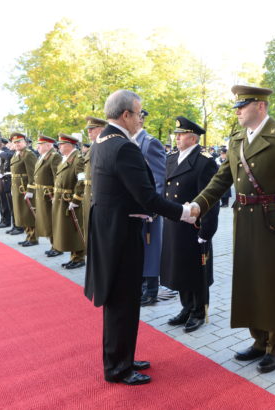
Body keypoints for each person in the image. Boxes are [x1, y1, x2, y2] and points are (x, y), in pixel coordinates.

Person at [189, 85, 275, 373]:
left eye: (243, 105)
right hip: (244, 219)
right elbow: (221, 180)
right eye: (237, 106)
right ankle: (258, 341)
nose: (238, 110)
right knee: (250, 279)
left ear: (261, 106)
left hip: (274, 221)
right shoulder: (236, 140)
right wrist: (197, 205)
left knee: (273, 282)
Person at [84, 90, 197, 385]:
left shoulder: (102, 141)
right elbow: (146, 196)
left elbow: (117, 190)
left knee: (122, 299)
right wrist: (183, 212)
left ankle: (122, 356)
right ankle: (117, 368)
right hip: (121, 233)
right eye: (139, 113)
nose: (140, 118)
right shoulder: (123, 146)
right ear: (126, 115)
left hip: (111, 229)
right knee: (123, 300)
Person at [160, 116, 219, 333]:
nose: (177, 138)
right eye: (176, 134)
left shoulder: (204, 162)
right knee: (180, 267)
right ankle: (186, 307)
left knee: (196, 270)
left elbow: (211, 201)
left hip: (194, 225)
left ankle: (198, 312)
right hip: (175, 221)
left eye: (181, 134)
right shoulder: (172, 157)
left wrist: (206, 230)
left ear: (193, 138)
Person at [130, 110, 167, 307]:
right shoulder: (127, 141)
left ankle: (151, 290)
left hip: (148, 209)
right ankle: (141, 286)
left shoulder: (150, 142)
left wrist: (154, 208)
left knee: (151, 248)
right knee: (139, 248)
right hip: (134, 208)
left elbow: (159, 179)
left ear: (140, 120)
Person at [52, 133, 86, 269]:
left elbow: (82, 180)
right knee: (68, 230)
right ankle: (74, 257)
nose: (59, 147)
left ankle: (79, 258)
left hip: (71, 199)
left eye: (61, 144)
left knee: (75, 229)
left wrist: (76, 199)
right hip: (62, 199)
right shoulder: (66, 158)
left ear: (69, 145)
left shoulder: (78, 159)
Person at [32, 135, 62, 257]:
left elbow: (57, 177)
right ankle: (52, 244)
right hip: (41, 193)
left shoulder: (54, 157)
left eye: (40, 144)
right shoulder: (42, 157)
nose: (37, 146)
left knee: (52, 220)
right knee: (46, 220)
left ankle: (57, 246)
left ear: (48, 145)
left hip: (49, 194)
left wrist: (55, 194)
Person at [82, 116, 107, 244]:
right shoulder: (94, 147)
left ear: (101, 130)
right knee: (88, 228)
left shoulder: (102, 146)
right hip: (88, 193)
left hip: (96, 194)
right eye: (88, 129)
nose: (89, 132)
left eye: (92, 129)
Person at [10, 132, 38, 246]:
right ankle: (28, 236)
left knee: (29, 214)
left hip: (25, 188)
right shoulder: (17, 154)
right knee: (22, 214)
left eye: (19, 142)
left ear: (25, 142)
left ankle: (33, 238)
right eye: (15, 142)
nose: (17, 144)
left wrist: (31, 190)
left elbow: (33, 174)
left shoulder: (28, 154)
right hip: (17, 188)